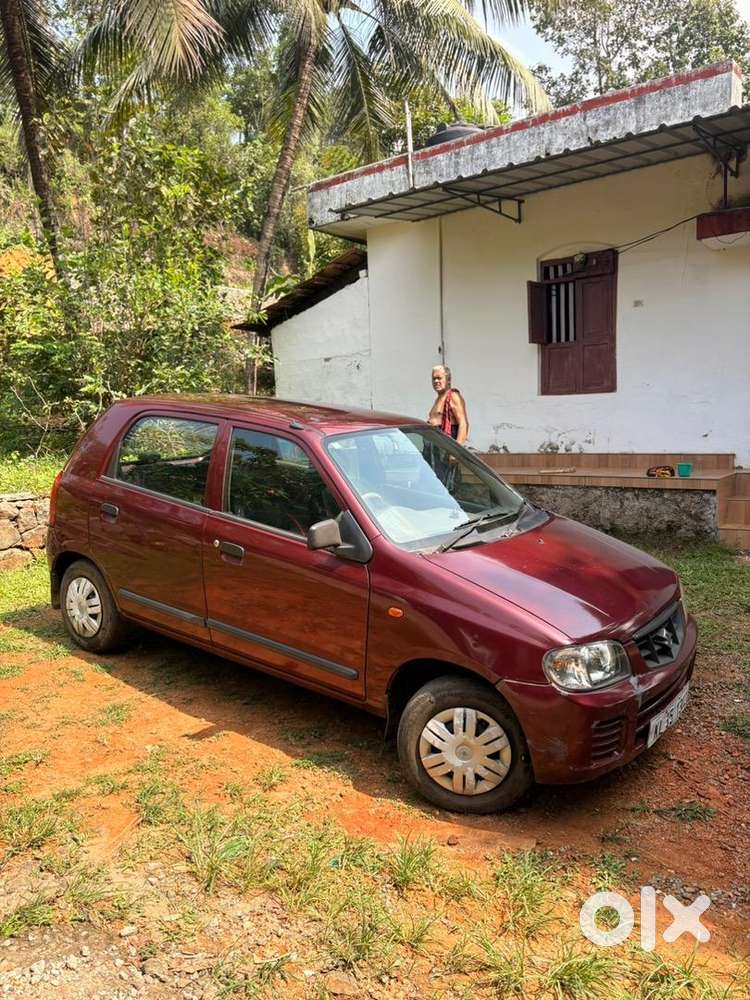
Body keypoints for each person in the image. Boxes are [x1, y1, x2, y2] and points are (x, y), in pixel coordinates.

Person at [428, 365, 469, 444]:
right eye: (434, 379)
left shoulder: (453, 396)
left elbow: (463, 424)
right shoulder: (439, 399)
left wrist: (455, 453)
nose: (436, 381)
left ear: (448, 380)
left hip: (446, 446)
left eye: (439, 378)